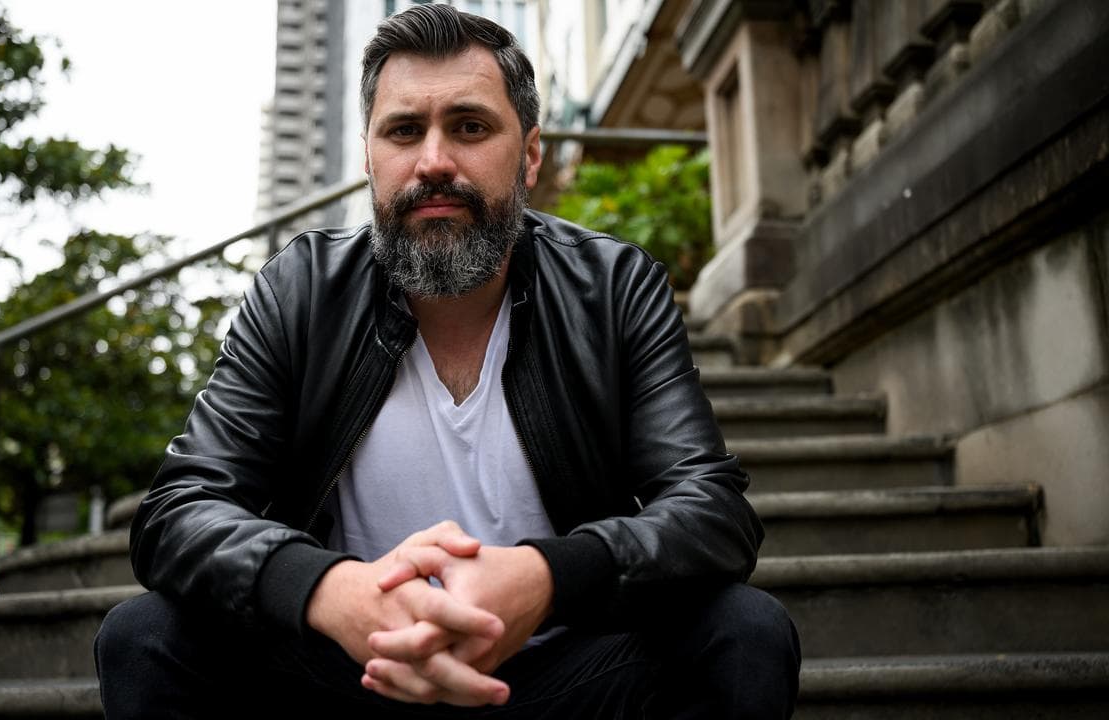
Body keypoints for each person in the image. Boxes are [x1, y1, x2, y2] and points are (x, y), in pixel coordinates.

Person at [95, 4, 800, 718]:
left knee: (744, 631)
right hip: (350, 675)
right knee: (146, 636)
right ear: (370, 158)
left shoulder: (613, 288)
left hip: (560, 677)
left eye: (469, 126)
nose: (433, 161)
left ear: (529, 155)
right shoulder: (300, 289)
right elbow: (180, 509)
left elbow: (711, 508)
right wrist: (328, 590)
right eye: (404, 130)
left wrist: (546, 578)